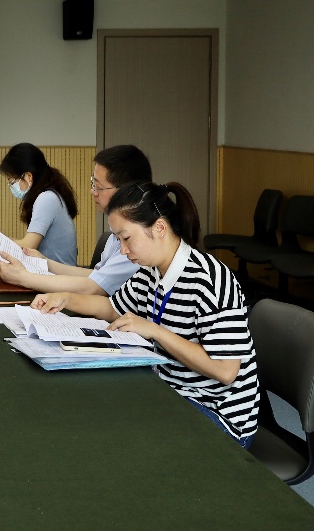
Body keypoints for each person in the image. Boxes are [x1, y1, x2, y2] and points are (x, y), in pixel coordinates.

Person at [31, 182, 260, 447]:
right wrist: (65, 299)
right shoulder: (151, 272)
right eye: (118, 240)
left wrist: (154, 331)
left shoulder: (211, 281)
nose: (123, 250)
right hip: (171, 392)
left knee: (118, 437)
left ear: (159, 228)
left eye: (127, 238)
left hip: (219, 416)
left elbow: (226, 370)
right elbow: (112, 308)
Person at [0, 144, 152, 295]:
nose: (92, 191)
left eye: (97, 186)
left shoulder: (137, 238)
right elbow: (97, 275)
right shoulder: (116, 234)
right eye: (93, 183)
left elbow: (95, 287)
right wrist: (44, 262)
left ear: (124, 191)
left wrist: (22, 277)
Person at [0, 143, 79, 265]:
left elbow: (28, 246)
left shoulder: (47, 198)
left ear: (28, 176)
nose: (11, 186)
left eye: (12, 181)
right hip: (50, 270)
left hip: (56, 274)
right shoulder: (49, 195)